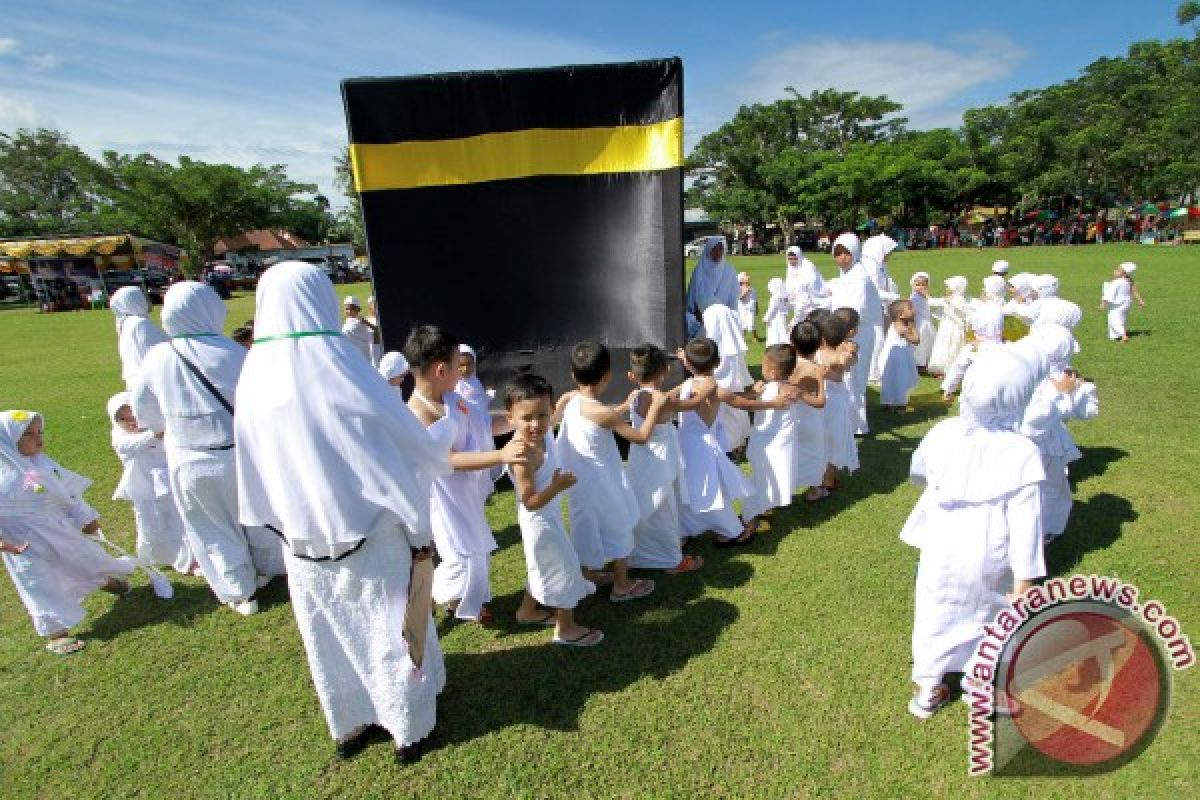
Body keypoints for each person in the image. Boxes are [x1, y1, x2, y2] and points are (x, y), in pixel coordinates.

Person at [233, 261, 450, 764]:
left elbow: (253, 465)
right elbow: (398, 451)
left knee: (330, 636)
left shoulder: (254, 376)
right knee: (396, 629)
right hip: (370, 537)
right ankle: (410, 725)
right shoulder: (344, 367)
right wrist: (418, 527)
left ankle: (351, 721)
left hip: (300, 543)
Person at [900, 348, 1048, 718]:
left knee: (935, 610)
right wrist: (1026, 578)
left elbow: (918, 472)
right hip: (992, 548)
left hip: (941, 543)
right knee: (992, 613)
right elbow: (1027, 521)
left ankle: (928, 687)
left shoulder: (944, 433)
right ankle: (981, 684)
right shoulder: (1022, 451)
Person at [131, 281, 283, 616]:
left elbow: (145, 412)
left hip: (189, 457)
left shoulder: (157, 357)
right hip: (240, 454)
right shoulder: (236, 354)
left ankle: (240, 591)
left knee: (212, 527)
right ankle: (267, 568)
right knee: (256, 516)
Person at [405, 325, 526, 625]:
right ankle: (427, 598)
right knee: (461, 558)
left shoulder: (451, 397)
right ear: (441, 369)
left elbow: (483, 424)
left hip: (467, 494)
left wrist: (519, 421)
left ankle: (463, 601)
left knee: (477, 553)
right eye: (458, 366)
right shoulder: (418, 412)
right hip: (444, 500)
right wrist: (500, 455)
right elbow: (448, 461)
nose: (463, 372)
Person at [0, 410, 134, 655]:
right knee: (38, 582)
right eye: (28, 434)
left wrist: (87, 519)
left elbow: (68, 496)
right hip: (22, 544)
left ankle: (105, 580)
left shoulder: (43, 466)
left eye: (39, 432)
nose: (38, 439)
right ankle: (56, 633)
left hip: (58, 530)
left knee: (83, 560)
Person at [555, 340, 665, 601]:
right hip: (603, 481)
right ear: (607, 376)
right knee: (619, 524)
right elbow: (639, 436)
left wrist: (624, 408)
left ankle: (585, 573)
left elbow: (595, 420)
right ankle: (622, 584)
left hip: (578, 481)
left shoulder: (570, 399)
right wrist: (656, 408)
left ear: (573, 374)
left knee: (586, 525)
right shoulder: (602, 412)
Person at [506, 374, 602, 646]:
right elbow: (529, 501)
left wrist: (564, 401)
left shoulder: (543, 431)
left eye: (542, 415)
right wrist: (557, 486)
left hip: (550, 513)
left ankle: (527, 611)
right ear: (510, 417)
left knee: (542, 565)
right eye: (527, 418)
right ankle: (566, 627)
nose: (536, 424)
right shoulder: (522, 455)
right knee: (561, 567)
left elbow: (552, 419)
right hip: (538, 519)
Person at [673, 337, 767, 546]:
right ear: (718, 362)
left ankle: (684, 528)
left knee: (687, 485)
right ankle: (731, 530)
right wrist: (771, 401)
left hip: (684, 442)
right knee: (710, 487)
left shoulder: (686, 385)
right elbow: (744, 403)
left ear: (686, 363)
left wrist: (684, 357)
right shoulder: (716, 389)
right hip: (703, 446)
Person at [624, 345, 703, 575]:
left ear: (632, 376)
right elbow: (692, 404)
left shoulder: (637, 396)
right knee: (665, 506)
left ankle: (640, 550)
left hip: (640, 460)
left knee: (644, 503)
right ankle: (671, 559)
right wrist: (700, 390)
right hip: (660, 460)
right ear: (666, 370)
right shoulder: (662, 400)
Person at [1020, 324, 1098, 540]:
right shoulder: (1052, 382)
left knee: (1041, 489)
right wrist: (1070, 392)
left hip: (1032, 442)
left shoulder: (1026, 372)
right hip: (1042, 443)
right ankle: (1042, 531)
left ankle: (1039, 530)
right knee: (1050, 491)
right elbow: (1035, 422)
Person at [107, 393, 194, 575]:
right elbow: (128, 446)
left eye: (133, 415)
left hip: (168, 481)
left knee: (178, 516)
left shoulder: (157, 427)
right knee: (151, 521)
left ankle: (188, 555)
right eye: (123, 419)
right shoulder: (120, 437)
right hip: (144, 489)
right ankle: (160, 554)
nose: (131, 422)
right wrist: (154, 434)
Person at [741, 343, 822, 530]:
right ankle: (759, 509)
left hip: (766, 444)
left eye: (763, 367)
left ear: (772, 373)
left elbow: (748, 405)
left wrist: (755, 392)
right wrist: (820, 379)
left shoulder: (769, 390)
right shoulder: (793, 389)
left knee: (761, 479)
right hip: (783, 445)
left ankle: (749, 520)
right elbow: (819, 402)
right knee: (771, 478)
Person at [826, 232, 880, 434]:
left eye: (846, 253)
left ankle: (856, 423)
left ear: (855, 253)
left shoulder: (859, 277)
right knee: (845, 376)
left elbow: (855, 310)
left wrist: (843, 336)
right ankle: (846, 419)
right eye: (837, 253)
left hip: (856, 332)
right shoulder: (847, 275)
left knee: (854, 377)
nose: (841, 258)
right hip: (844, 330)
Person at [814, 312, 859, 491]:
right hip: (835, 400)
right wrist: (850, 353)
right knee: (836, 439)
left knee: (821, 437)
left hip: (818, 398)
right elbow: (849, 363)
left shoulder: (815, 353)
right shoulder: (840, 354)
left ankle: (819, 475)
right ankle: (829, 478)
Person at [703, 303, 755, 452]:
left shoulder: (717, 348)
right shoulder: (733, 343)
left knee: (728, 417)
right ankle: (736, 444)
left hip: (724, 388)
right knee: (734, 416)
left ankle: (731, 447)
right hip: (732, 386)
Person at [788, 319, 830, 502]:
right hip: (810, 416)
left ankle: (788, 483)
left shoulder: (788, 363)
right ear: (820, 343)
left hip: (791, 414)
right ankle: (815, 488)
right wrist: (821, 379)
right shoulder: (815, 369)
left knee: (793, 450)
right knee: (814, 451)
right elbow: (820, 402)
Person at [110, 286, 169, 390]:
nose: (148, 300)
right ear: (134, 300)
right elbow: (157, 353)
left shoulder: (126, 323)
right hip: (150, 384)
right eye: (144, 297)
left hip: (138, 383)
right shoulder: (140, 324)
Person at [941, 305, 1005, 400]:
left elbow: (958, 368)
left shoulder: (972, 348)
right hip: (1003, 391)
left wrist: (948, 389)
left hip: (977, 392)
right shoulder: (1007, 347)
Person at [860, 233, 901, 383]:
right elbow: (874, 290)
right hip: (868, 307)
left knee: (880, 338)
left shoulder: (879, 264)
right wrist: (894, 297)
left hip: (878, 307)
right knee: (877, 339)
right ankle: (871, 372)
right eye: (888, 252)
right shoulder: (869, 264)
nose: (889, 255)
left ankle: (874, 369)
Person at [685, 236, 738, 337]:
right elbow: (693, 295)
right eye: (714, 249)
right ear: (708, 250)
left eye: (720, 249)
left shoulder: (729, 271)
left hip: (723, 318)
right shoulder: (700, 270)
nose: (717, 252)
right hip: (701, 318)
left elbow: (733, 296)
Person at [878, 299, 921, 411]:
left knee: (891, 380)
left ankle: (888, 402)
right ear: (900, 315)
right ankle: (900, 404)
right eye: (910, 308)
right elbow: (916, 340)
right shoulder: (902, 328)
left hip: (895, 357)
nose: (914, 310)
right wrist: (913, 325)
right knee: (900, 379)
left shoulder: (895, 324)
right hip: (899, 359)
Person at [926, 276, 970, 376]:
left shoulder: (956, 300)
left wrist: (928, 296)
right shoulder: (957, 298)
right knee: (946, 346)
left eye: (948, 287)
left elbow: (935, 302)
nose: (946, 289)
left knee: (950, 347)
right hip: (947, 325)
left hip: (952, 327)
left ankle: (948, 369)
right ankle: (944, 368)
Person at [1101, 262, 1145, 342]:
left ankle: (1123, 335)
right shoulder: (1129, 281)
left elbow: (1109, 293)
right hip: (1126, 303)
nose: (1114, 271)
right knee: (1121, 319)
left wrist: (1104, 303)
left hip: (1117, 304)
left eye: (1118, 270)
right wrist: (1140, 300)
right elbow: (1134, 291)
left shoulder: (1116, 282)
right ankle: (1115, 336)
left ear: (1124, 273)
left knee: (1113, 319)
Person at [784, 245, 828, 323]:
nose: (792, 261)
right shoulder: (790, 267)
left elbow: (811, 283)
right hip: (799, 299)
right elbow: (790, 282)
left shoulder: (808, 266)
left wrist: (800, 293)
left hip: (812, 297)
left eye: (794, 259)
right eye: (790, 259)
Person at [909, 273, 936, 370]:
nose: (920, 287)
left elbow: (933, 305)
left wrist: (928, 295)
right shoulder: (913, 297)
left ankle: (926, 362)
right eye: (917, 285)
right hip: (918, 323)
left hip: (927, 323)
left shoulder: (927, 296)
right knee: (919, 344)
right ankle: (918, 363)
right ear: (913, 285)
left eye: (923, 285)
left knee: (928, 343)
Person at [342, 295, 376, 363]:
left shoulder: (361, 321)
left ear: (358, 309)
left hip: (363, 355)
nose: (349, 311)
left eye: (352, 309)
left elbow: (376, 331)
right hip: (352, 354)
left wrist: (366, 323)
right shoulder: (347, 321)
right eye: (347, 309)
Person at [763, 277, 791, 347]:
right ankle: (784, 344)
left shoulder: (775, 297)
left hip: (775, 318)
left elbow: (772, 309)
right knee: (782, 331)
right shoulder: (784, 296)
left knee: (775, 331)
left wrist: (766, 318)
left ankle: (775, 344)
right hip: (783, 316)